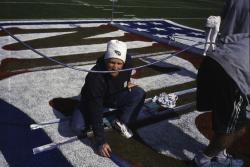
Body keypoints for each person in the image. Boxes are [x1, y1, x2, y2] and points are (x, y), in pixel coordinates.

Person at [191, 0, 249, 166]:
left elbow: (225, 20)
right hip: (235, 70)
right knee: (236, 129)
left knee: (224, 119)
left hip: (216, 57)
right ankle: (202, 160)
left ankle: (220, 154)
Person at [71, 39, 146, 157]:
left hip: (113, 96)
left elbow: (126, 73)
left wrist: (128, 82)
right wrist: (100, 141)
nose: (115, 67)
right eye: (112, 62)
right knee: (77, 127)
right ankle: (90, 120)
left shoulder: (128, 63)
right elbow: (95, 110)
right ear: (106, 60)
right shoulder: (95, 77)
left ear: (124, 62)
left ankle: (121, 121)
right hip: (92, 100)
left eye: (119, 63)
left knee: (139, 93)